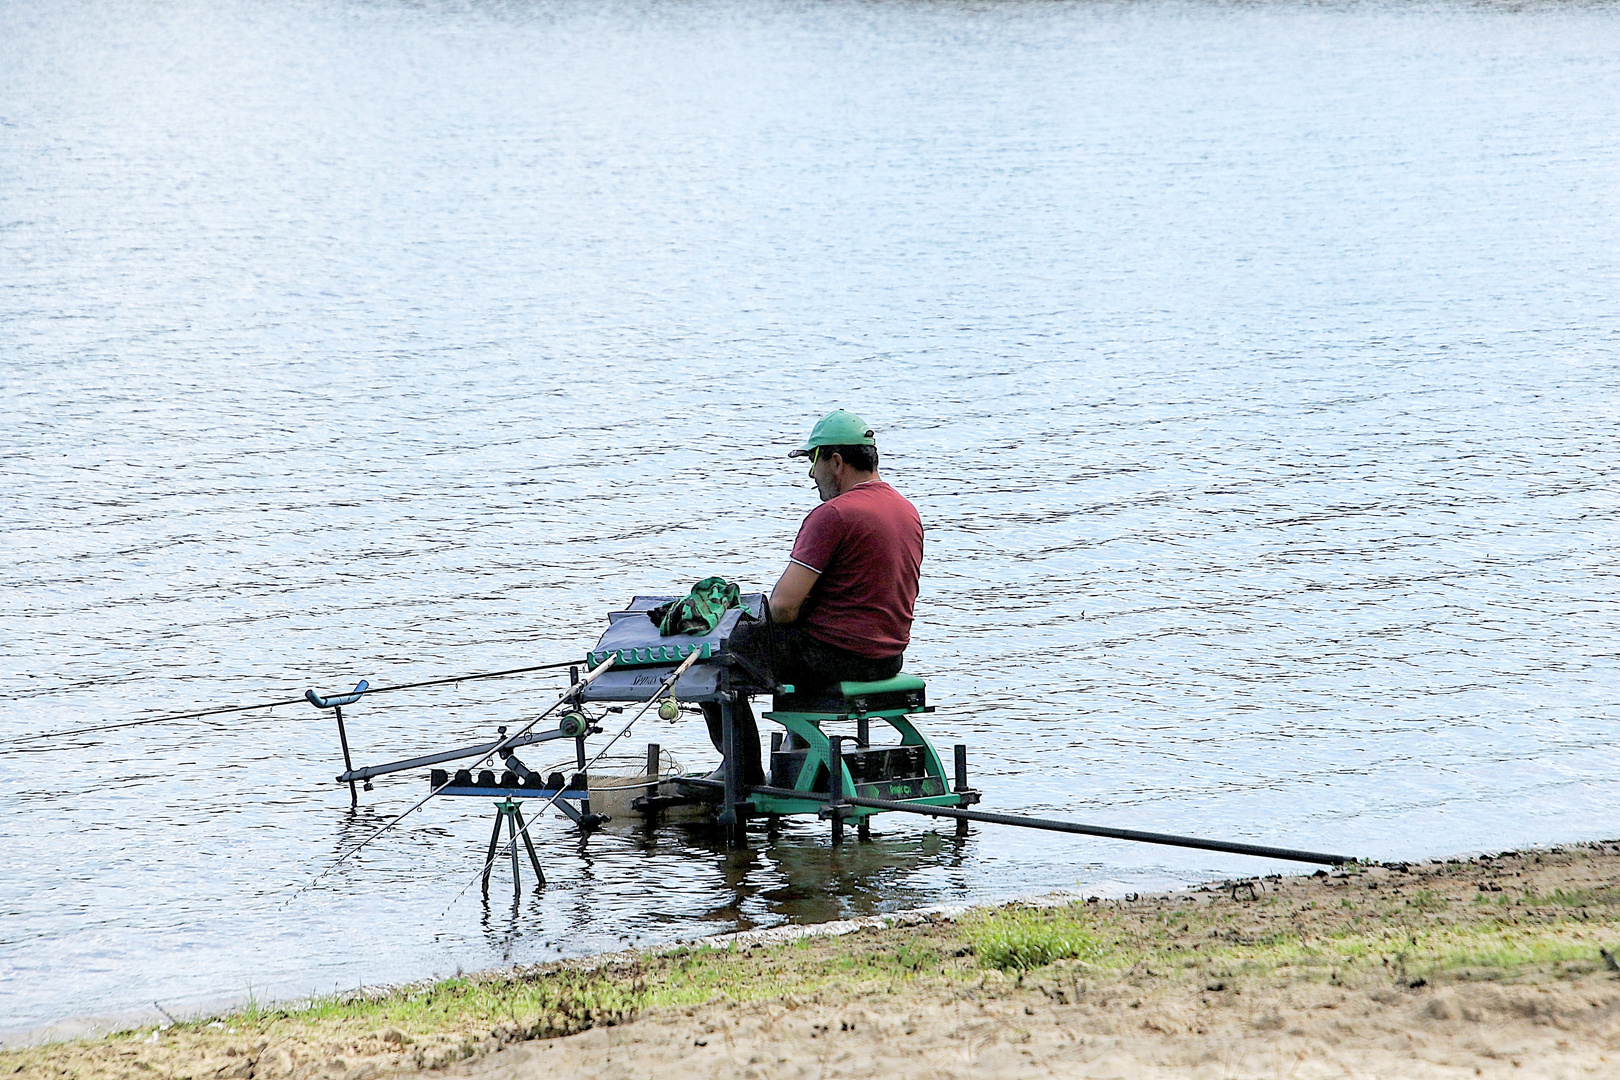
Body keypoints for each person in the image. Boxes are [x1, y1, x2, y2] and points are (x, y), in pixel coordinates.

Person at [702, 409, 924, 785]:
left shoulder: (833, 515)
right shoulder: (906, 511)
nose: (810, 476)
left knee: (720, 653)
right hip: (887, 658)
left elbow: (784, 607)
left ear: (835, 462)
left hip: (836, 659)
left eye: (812, 462)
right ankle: (799, 747)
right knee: (780, 645)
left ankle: (739, 771)